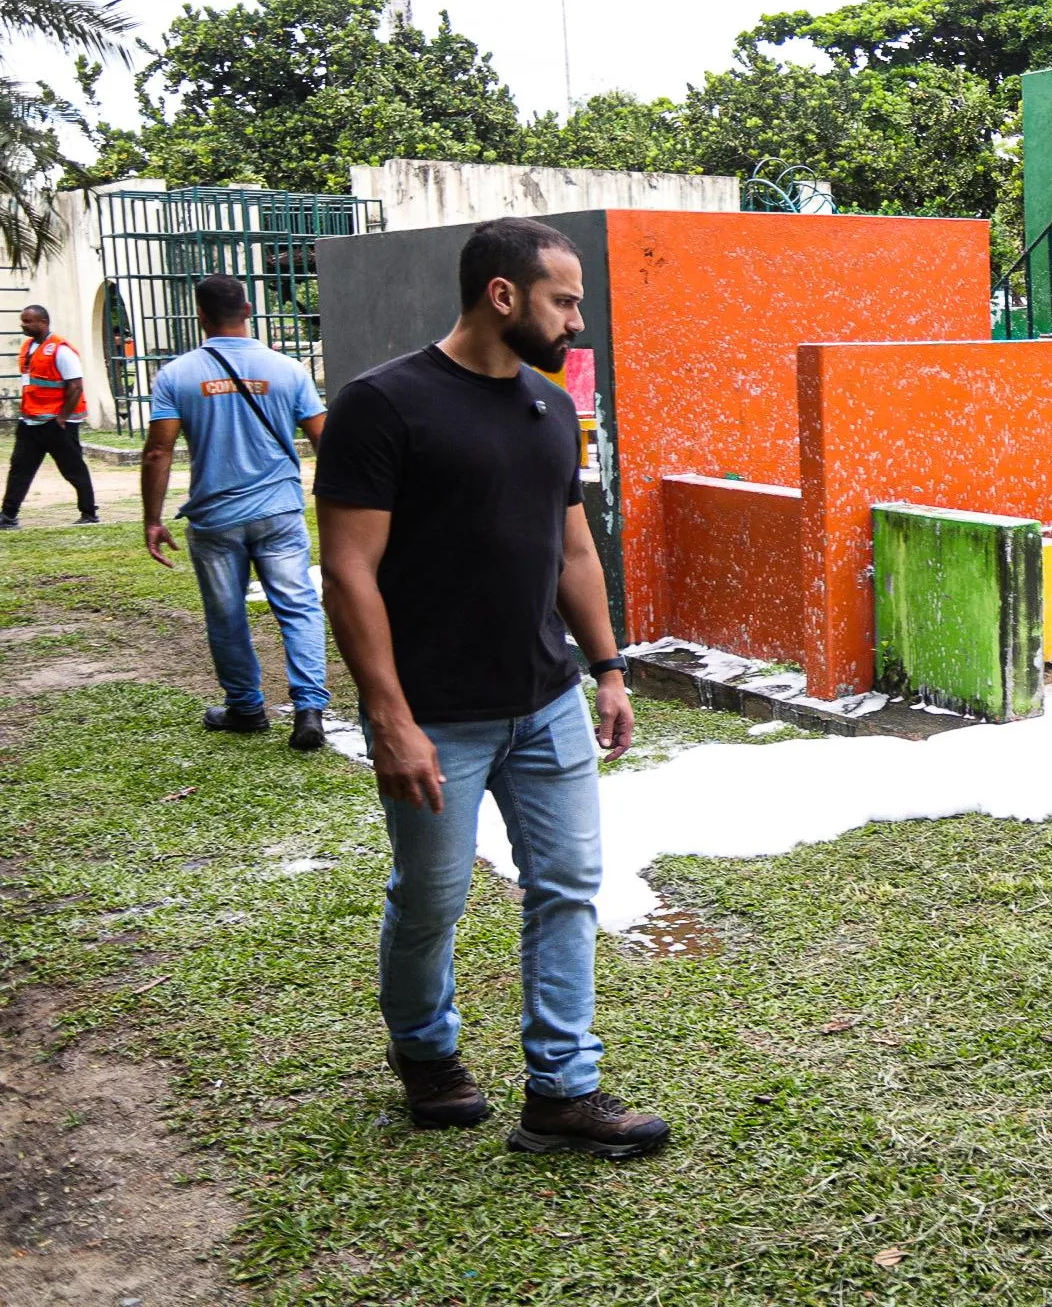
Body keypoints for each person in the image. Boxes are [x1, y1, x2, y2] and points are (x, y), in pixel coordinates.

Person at [315, 215, 667, 1160]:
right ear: (502, 295)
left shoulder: (552, 409)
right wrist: (389, 718)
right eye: (565, 301)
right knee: (432, 898)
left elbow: (574, 548)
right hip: (437, 715)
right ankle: (426, 1053)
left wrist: (607, 667)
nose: (577, 322)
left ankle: (562, 1089)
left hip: (547, 701)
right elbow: (347, 571)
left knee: (566, 889)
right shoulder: (381, 405)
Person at [142, 276, 331, 750]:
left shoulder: (176, 375)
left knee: (226, 614)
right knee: (299, 607)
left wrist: (152, 518)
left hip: (215, 517)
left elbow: (158, 451)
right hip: (279, 512)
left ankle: (246, 708)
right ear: (248, 308)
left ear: (200, 315)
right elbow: (323, 437)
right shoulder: (288, 369)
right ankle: (309, 708)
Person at [2, 304, 99, 528]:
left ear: (43, 323)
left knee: (73, 469)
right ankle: (8, 516)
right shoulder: (28, 347)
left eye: (27, 321)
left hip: (56, 424)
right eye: (22, 320)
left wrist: (62, 418)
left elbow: (75, 386)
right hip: (30, 421)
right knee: (20, 468)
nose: (23, 325)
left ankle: (89, 513)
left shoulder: (61, 350)